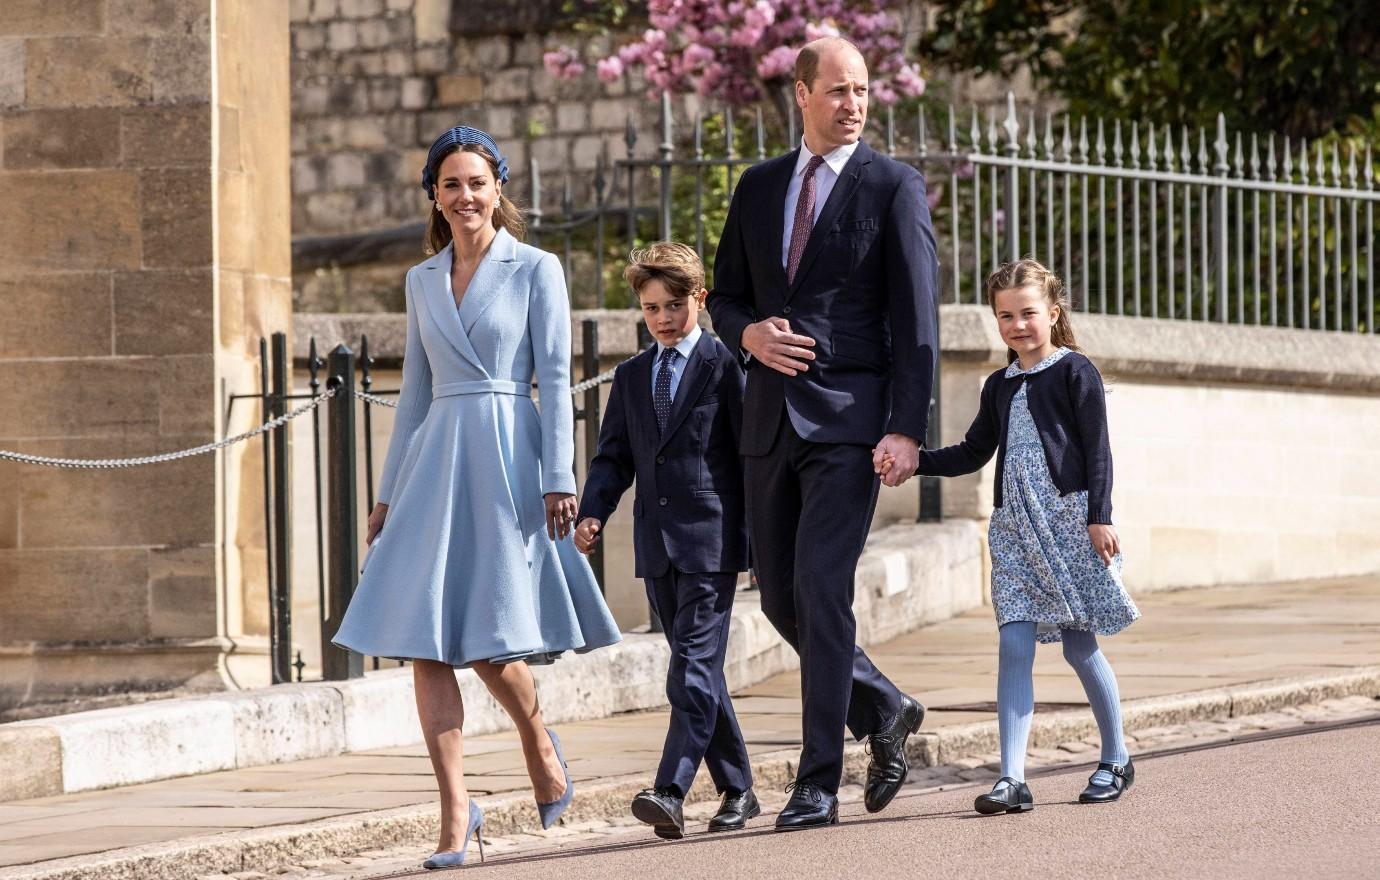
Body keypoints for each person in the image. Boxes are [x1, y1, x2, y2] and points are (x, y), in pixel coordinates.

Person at [331, 126, 622, 868]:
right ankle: (456, 813)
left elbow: (554, 378)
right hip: (435, 467)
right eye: (452, 184)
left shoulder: (536, 270)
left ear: (499, 191)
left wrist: (559, 474)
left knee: (492, 642)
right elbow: (417, 395)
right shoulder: (420, 280)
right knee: (427, 642)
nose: (466, 196)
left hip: (507, 455)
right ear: (434, 192)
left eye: (478, 183)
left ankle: (535, 739)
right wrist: (388, 495)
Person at [705, 36, 939, 830]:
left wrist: (907, 427)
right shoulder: (760, 186)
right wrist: (749, 337)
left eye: (863, 90)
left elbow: (917, 322)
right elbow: (724, 295)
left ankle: (817, 782)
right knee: (776, 596)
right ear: (799, 94)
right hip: (768, 421)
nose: (854, 104)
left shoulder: (893, 188)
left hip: (850, 425)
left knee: (821, 588)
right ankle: (884, 705)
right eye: (838, 90)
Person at [906, 258, 1140, 815]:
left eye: (1028, 314)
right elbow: (971, 452)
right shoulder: (998, 385)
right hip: (1013, 526)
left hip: (1069, 520)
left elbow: (1097, 449)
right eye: (1005, 316)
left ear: (1052, 314)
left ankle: (1116, 757)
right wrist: (913, 462)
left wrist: (1100, 516)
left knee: (1081, 646)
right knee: (1014, 645)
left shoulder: (1075, 370)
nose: (1017, 326)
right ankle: (1012, 778)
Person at [573, 242, 758, 840]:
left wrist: (758, 539)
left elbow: (748, 457)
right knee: (698, 671)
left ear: (699, 301)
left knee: (690, 671)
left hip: (712, 541)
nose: (663, 318)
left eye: (675, 305)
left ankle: (670, 789)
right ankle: (739, 790)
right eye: (651, 308)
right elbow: (614, 456)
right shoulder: (630, 377)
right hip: (655, 545)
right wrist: (594, 512)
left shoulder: (726, 365)